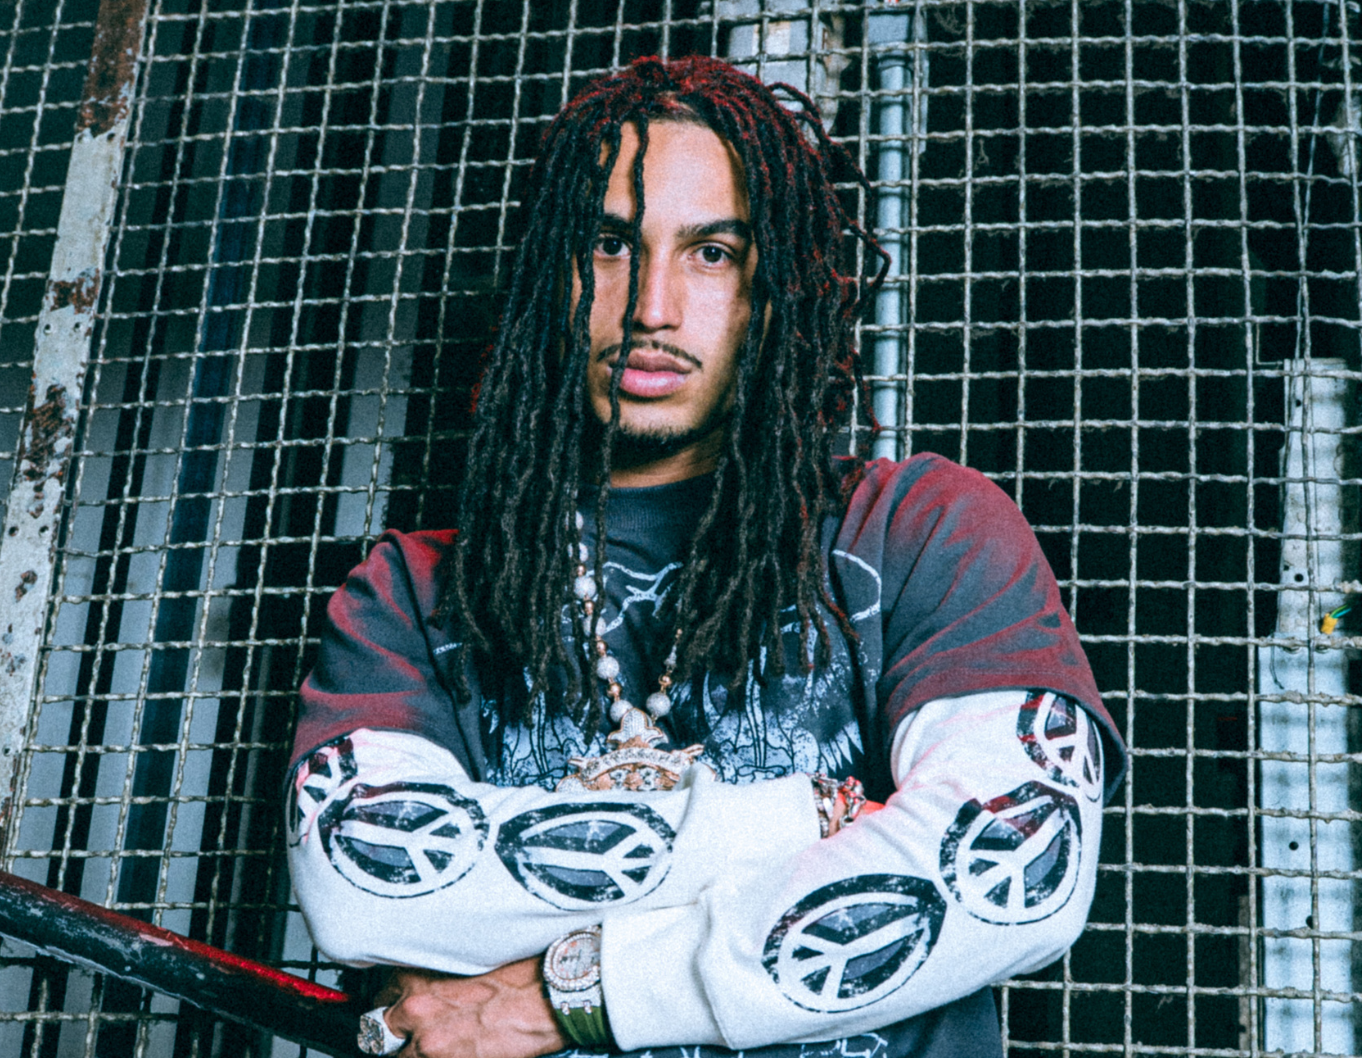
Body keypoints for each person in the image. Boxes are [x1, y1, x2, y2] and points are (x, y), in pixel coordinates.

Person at [287, 54, 1123, 1058]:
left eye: (713, 252)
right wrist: (798, 824)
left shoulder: (922, 531)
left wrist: (558, 996)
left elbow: (1015, 870)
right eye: (609, 244)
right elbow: (366, 890)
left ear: (776, 290)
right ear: (550, 275)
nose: (653, 305)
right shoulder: (411, 594)